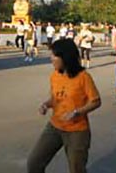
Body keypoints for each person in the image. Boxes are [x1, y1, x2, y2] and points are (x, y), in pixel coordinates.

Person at [27, 39, 101, 173]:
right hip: (55, 127)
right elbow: (55, 98)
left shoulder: (83, 77)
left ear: (65, 57)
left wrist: (77, 112)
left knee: (76, 169)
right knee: (34, 163)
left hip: (77, 131)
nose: (51, 59)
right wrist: (46, 104)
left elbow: (96, 101)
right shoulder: (55, 75)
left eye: (54, 55)